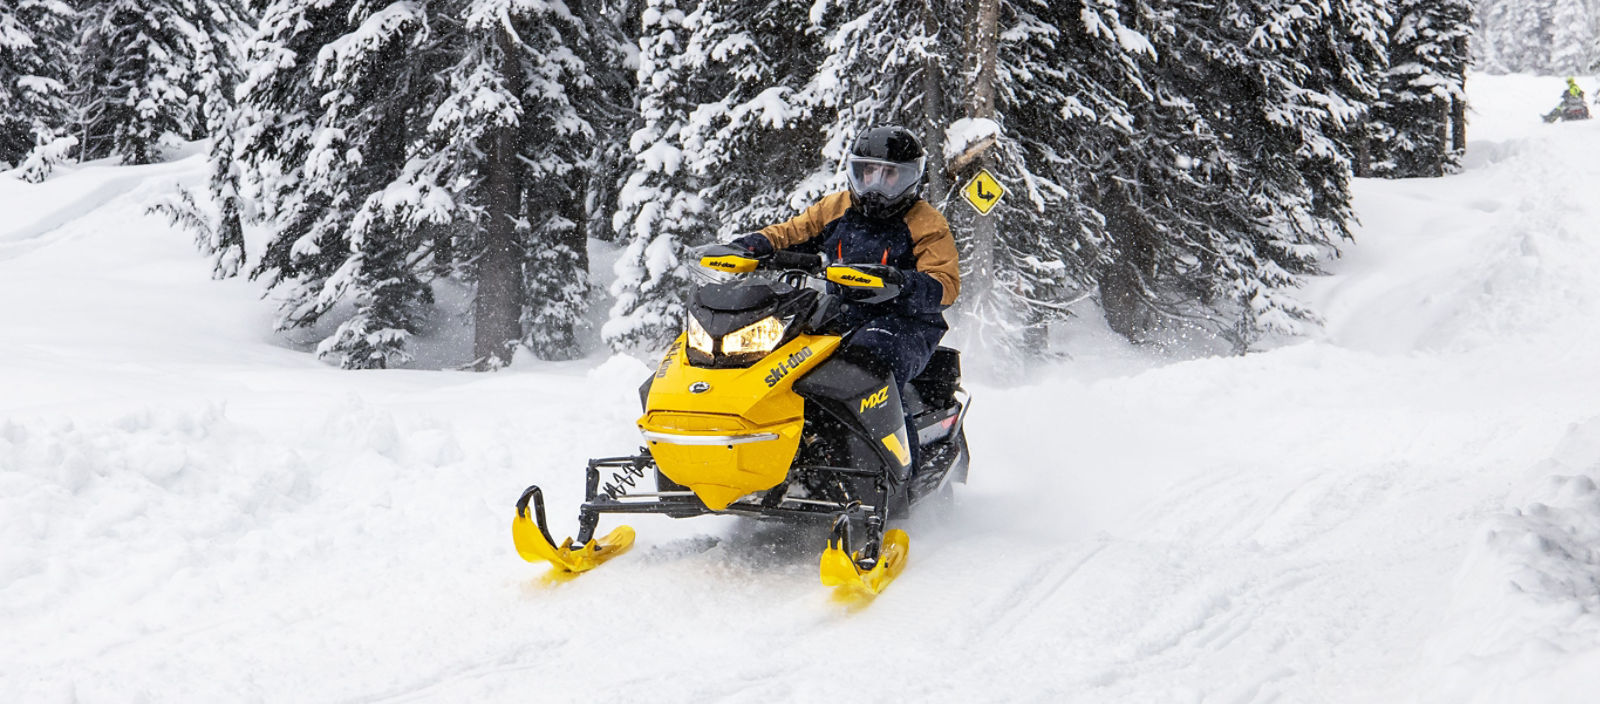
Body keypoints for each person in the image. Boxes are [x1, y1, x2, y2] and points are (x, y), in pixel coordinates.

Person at [731, 126, 960, 463]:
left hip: (905, 323)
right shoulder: (837, 207)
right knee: (778, 362)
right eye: (868, 172)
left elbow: (945, 284)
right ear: (855, 171)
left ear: (912, 178)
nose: (876, 185)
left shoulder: (926, 222)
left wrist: (900, 282)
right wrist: (754, 246)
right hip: (840, 315)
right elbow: (793, 232)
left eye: (890, 175)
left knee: (867, 365)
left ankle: (899, 473)